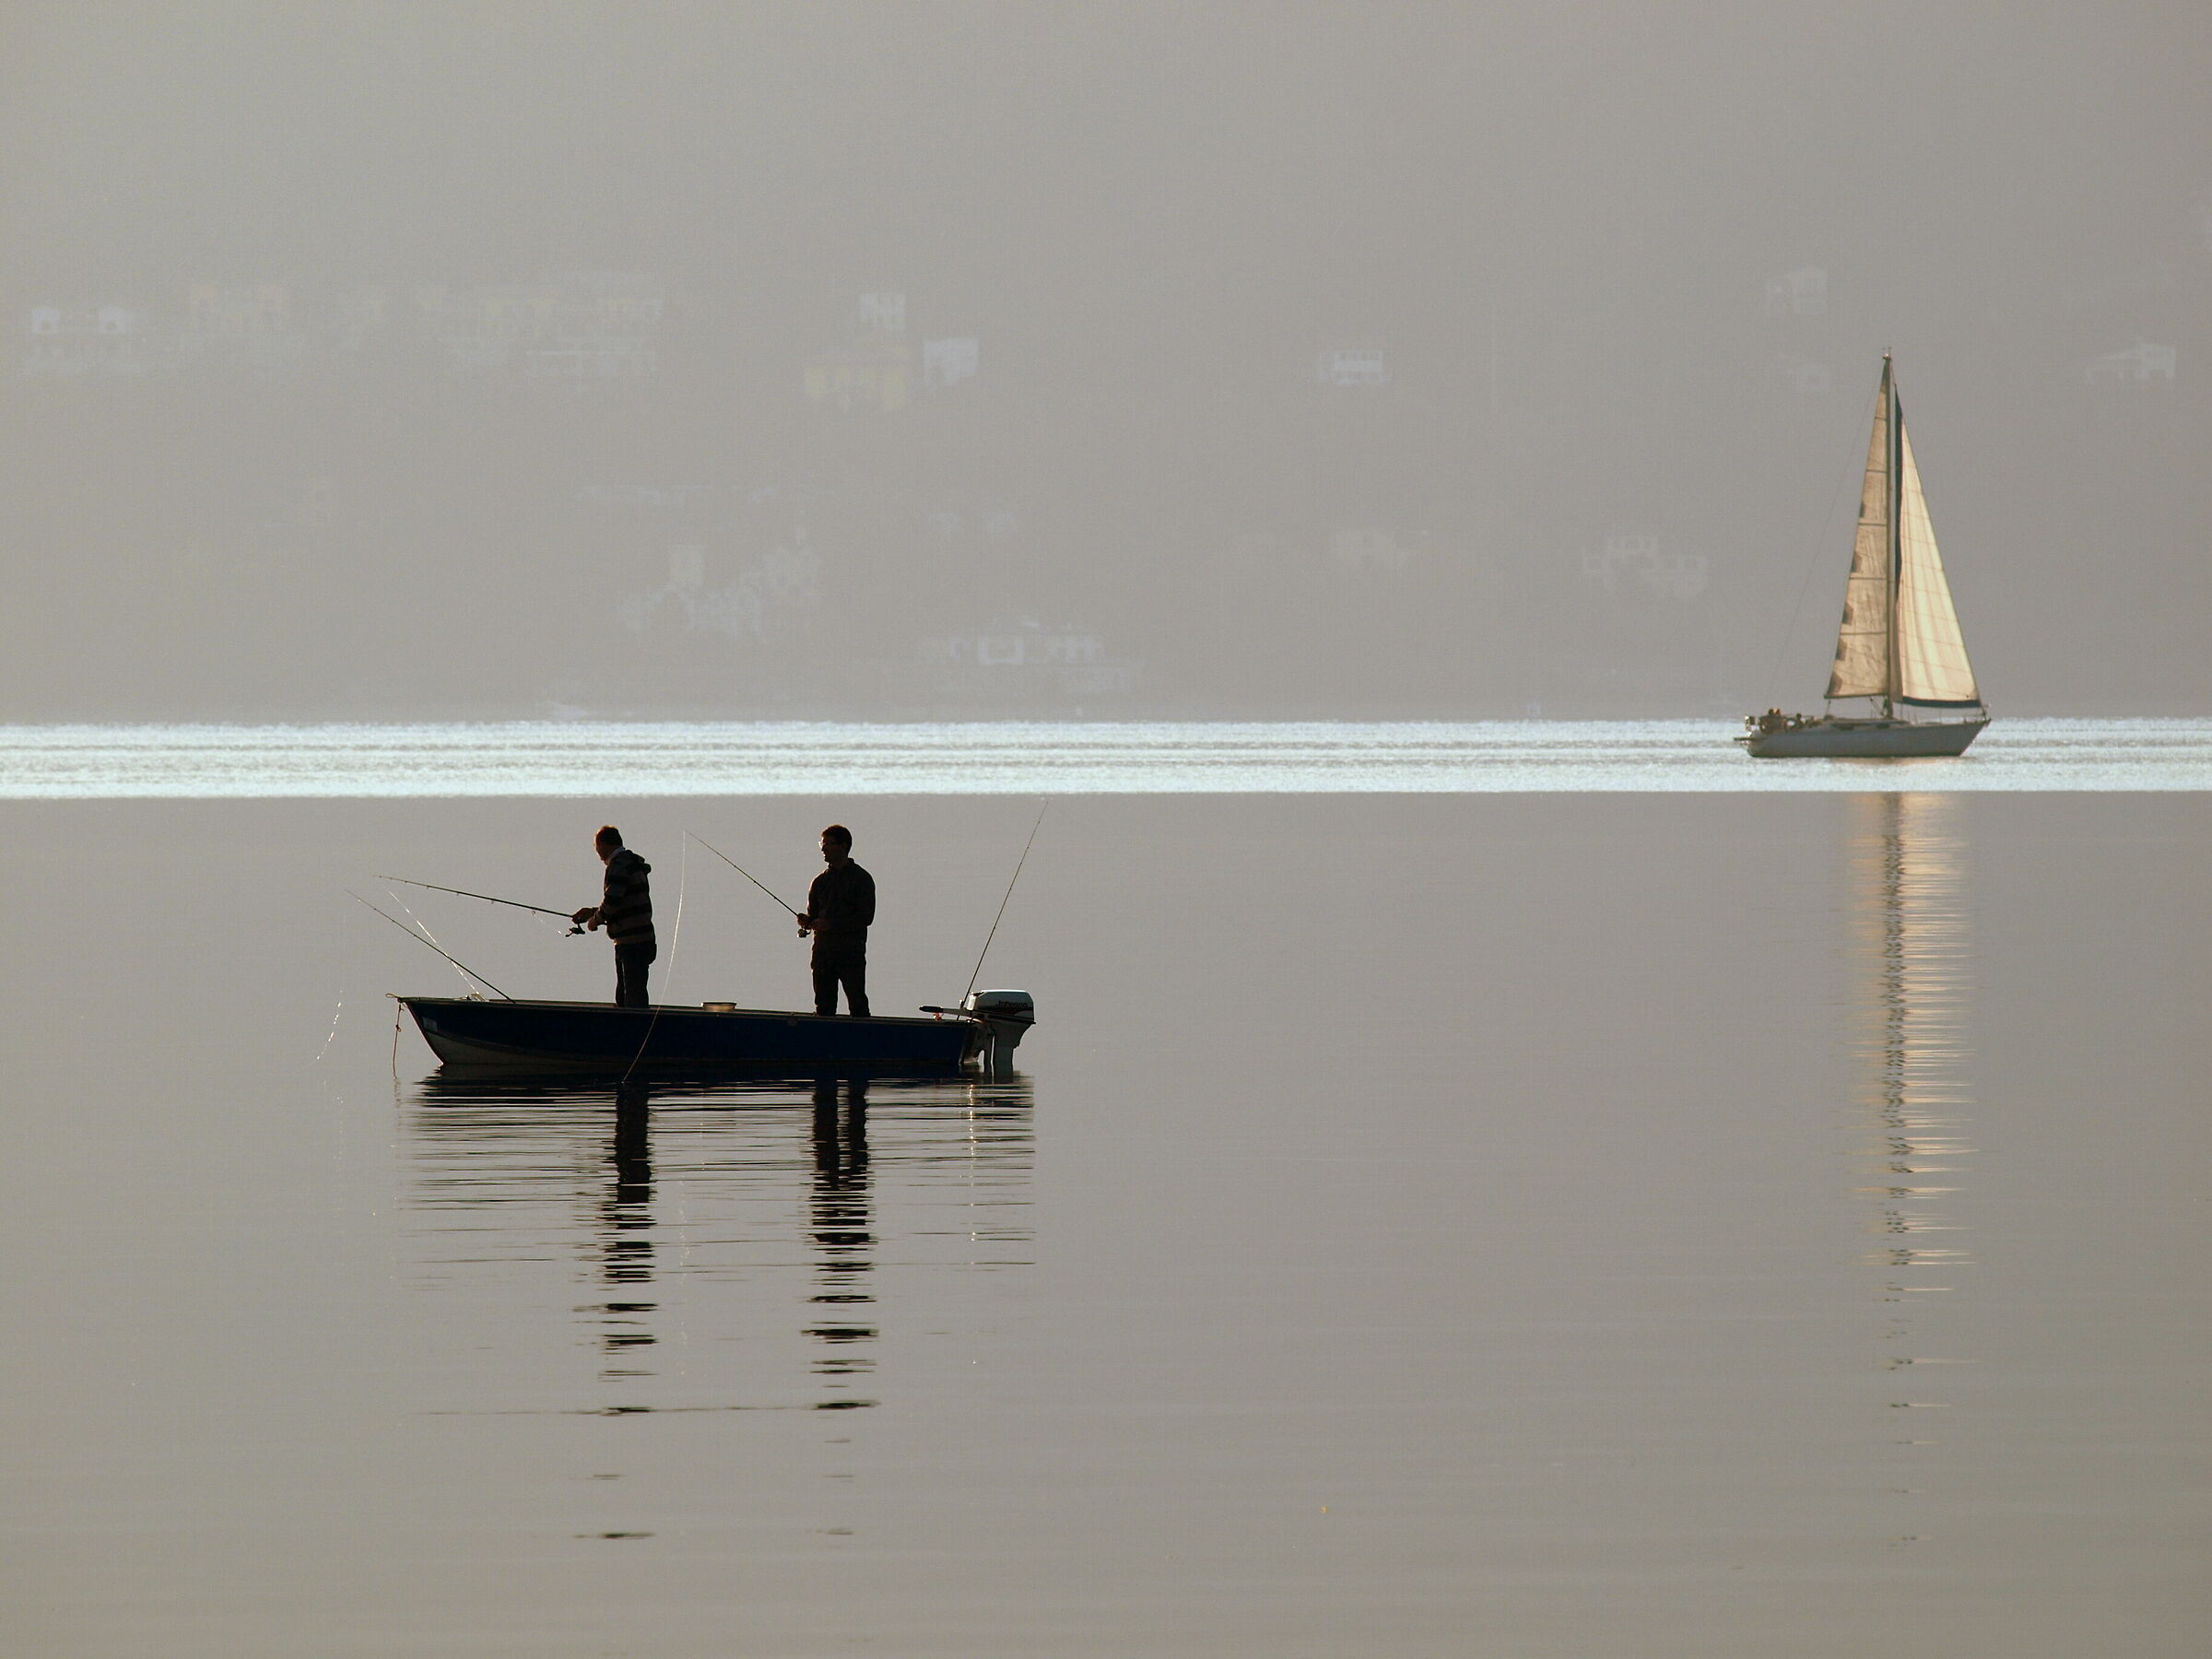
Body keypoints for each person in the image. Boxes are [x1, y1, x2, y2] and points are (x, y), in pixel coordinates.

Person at [571, 825, 655, 1008]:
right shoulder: (631, 864)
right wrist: (592, 913)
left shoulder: (618, 866)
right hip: (642, 939)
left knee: (632, 999)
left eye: (597, 847)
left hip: (631, 942)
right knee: (630, 994)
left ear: (604, 844)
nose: (598, 853)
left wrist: (594, 921)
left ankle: (635, 1031)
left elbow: (612, 902)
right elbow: (623, 903)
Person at [797, 823, 875, 1017]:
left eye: (828, 844)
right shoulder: (819, 882)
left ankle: (863, 1041)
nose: (823, 848)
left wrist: (830, 924)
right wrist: (807, 921)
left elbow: (865, 917)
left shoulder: (861, 879)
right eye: (822, 844)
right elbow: (814, 915)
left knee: (857, 1004)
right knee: (823, 1006)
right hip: (822, 953)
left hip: (850, 952)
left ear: (844, 846)